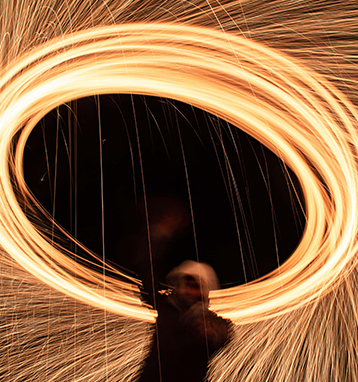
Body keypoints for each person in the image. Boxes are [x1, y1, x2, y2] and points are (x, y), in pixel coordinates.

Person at [138, 260, 232, 382]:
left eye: (195, 286)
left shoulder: (209, 320)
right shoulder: (167, 310)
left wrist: (210, 333)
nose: (188, 291)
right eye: (186, 285)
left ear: (205, 289)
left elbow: (221, 335)